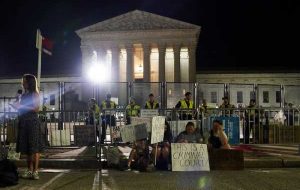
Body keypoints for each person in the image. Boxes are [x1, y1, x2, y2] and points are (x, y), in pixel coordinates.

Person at [13, 74, 44, 180]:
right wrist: (17, 104)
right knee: (26, 147)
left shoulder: (35, 94)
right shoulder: (24, 94)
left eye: (24, 81)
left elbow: (35, 109)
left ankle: (35, 172)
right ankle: (29, 170)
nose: (22, 83)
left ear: (29, 83)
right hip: (24, 122)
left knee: (34, 148)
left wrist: (21, 106)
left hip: (32, 122)